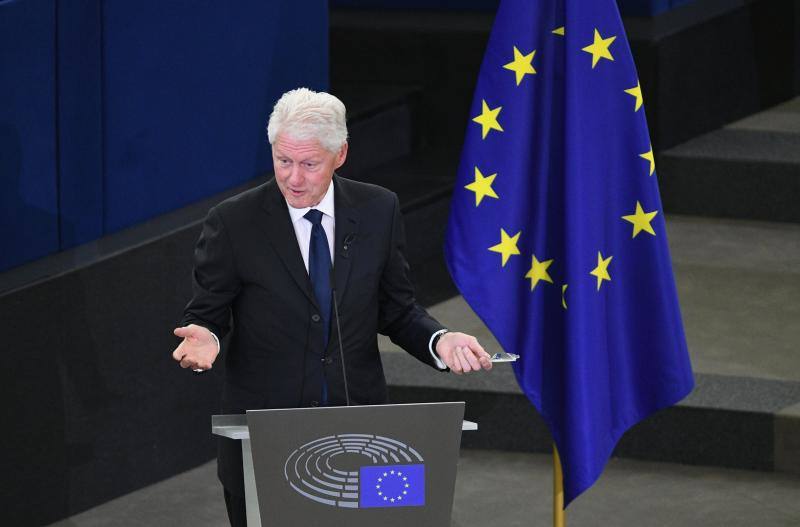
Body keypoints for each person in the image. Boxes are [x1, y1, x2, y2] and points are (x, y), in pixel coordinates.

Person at [171, 87, 491, 526]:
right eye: (283, 161)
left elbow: (397, 310)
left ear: (340, 154)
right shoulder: (233, 222)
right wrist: (204, 335)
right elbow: (207, 311)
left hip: (362, 438)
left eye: (308, 164)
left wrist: (440, 339)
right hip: (267, 440)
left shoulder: (378, 209)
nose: (294, 178)